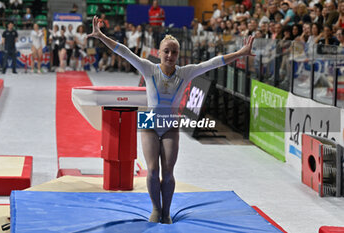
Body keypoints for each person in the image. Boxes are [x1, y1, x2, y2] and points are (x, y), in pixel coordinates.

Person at [88, 15, 255, 224]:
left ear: (178, 55)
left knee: (167, 173)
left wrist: (240, 53)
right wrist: (101, 35)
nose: (170, 55)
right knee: (152, 170)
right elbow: (123, 51)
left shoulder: (186, 73)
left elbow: (213, 63)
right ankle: (156, 209)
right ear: (159, 53)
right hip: (149, 121)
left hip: (170, 124)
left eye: (174, 52)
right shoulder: (148, 68)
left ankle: (166, 211)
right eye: (166, 51)